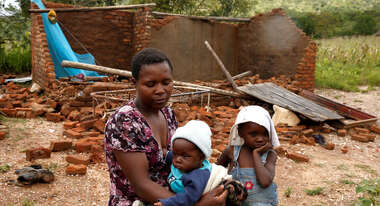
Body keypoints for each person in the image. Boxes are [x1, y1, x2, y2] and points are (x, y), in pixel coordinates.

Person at [104, 48, 228, 206]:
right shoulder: (125, 122)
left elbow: (181, 160)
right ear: (134, 83)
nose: (160, 90)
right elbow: (142, 186)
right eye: (150, 84)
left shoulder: (167, 113)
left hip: (175, 197)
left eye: (166, 82)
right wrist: (194, 204)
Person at [153, 120, 247, 206]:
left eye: (184, 156)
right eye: (175, 154)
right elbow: (167, 154)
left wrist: (166, 203)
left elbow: (188, 198)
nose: (178, 159)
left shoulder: (197, 176)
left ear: (201, 158)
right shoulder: (183, 160)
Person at [217, 106, 280, 206]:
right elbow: (216, 173)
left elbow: (265, 182)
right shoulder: (232, 152)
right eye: (253, 134)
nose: (260, 139)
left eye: (265, 134)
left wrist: (256, 154)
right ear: (240, 132)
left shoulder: (270, 155)